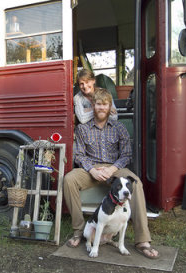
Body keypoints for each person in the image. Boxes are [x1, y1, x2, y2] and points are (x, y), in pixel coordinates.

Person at [64, 88, 159, 259]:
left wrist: (112, 169)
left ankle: (142, 240)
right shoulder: (82, 129)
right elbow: (78, 155)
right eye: (98, 104)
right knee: (69, 179)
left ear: (110, 107)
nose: (101, 108)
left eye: (105, 104)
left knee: (136, 182)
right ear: (93, 105)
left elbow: (126, 154)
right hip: (91, 170)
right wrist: (92, 169)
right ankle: (79, 231)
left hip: (114, 169)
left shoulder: (119, 128)